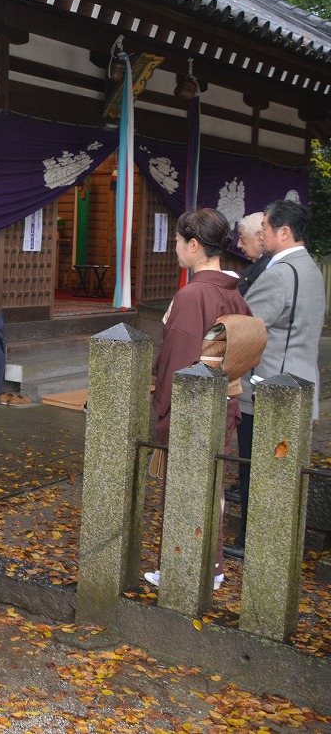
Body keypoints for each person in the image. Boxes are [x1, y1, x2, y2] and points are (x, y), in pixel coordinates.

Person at [144, 208, 250, 590]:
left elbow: (177, 360)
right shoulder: (232, 291)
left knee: (188, 487)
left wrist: (159, 410)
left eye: (177, 241)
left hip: (193, 408)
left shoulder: (194, 294)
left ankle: (185, 567)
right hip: (225, 401)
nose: (174, 247)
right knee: (211, 488)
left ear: (193, 245)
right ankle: (213, 566)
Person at [227, 199, 326, 561]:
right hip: (298, 383)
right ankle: (273, 540)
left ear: (283, 232)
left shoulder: (281, 273)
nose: (262, 233)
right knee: (280, 471)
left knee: (258, 470)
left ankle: (250, 540)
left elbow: (246, 324)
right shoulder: (310, 268)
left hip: (269, 386)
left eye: (266, 227)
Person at [235, 212, 270, 297]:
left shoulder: (268, 267)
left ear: (260, 236)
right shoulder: (261, 265)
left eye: (242, 237)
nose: (238, 245)